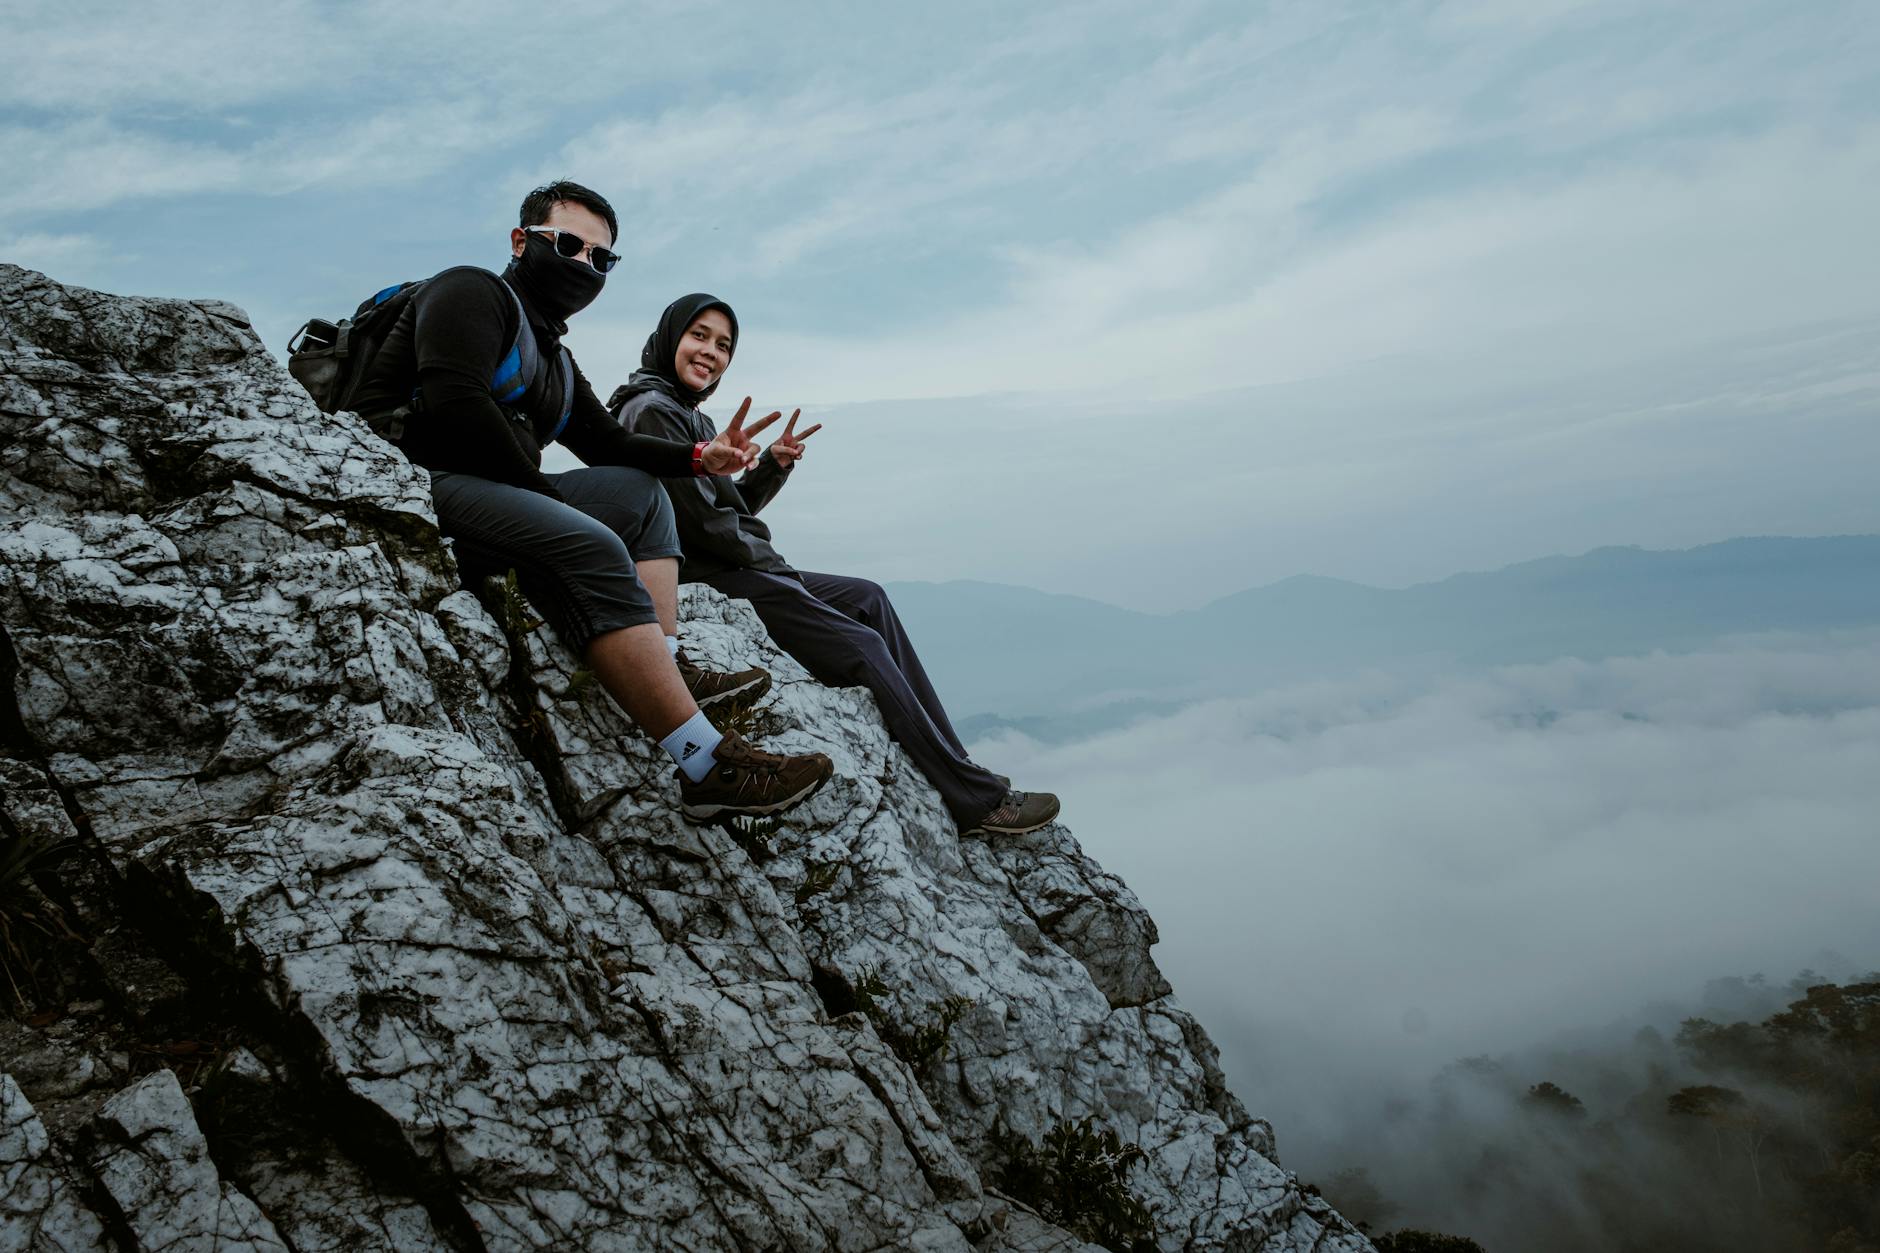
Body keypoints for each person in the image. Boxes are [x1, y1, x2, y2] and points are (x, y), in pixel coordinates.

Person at [349, 184, 832, 820]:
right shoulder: (468, 291)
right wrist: (545, 497)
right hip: (414, 488)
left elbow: (608, 444)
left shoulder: (552, 355)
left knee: (639, 494)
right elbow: (455, 400)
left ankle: (668, 659)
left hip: (495, 489)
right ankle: (706, 764)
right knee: (594, 541)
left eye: (600, 259)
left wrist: (698, 459)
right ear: (522, 242)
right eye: (568, 245)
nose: (582, 264)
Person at [610, 294, 1059, 836]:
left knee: (868, 597)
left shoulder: (687, 411)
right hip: (712, 579)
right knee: (861, 646)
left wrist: (771, 467)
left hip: (735, 566)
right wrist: (775, 567)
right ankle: (975, 802)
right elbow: (703, 528)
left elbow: (724, 510)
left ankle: (960, 766)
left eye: (724, 345)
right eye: (699, 336)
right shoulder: (652, 410)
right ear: (670, 336)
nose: (711, 352)